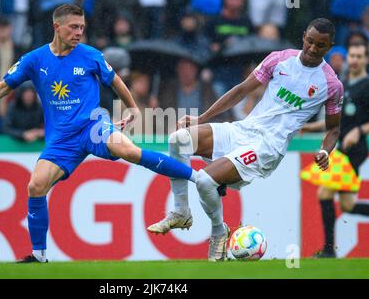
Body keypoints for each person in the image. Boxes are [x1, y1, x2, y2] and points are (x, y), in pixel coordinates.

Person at [0, 4, 197, 263]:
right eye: (74, 27)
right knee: (35, 186)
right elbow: (3, 87)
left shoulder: (90, 55)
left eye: (82, 28)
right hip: (61, 140)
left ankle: (198, 177)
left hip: (93, 127)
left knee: (128, 150)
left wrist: (133, 108)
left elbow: (115, 81)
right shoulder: (35, 59)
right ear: (57, 27)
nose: (79, 32)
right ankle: (39, 254)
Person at [147, 18, 344, 262]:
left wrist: (325, 151)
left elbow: (334, 129)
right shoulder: (279, 58)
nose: (313, 49)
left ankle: (219, 231)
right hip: (244, 129)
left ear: (330, 46)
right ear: (304, 36)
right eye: (310, 42)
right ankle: (181, 211)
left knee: (206, 181)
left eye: (321, 45)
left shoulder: (332, 85)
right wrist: (203, 118)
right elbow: (241, 90)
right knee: (179, 139)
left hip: (267, 147)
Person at [302, 42, 369, 258]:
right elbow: (336, 121)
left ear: (366, 59)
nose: (355, 60)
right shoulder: (345, 84)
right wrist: (309, 126)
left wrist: (359, 130)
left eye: (359, 56)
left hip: (355, 149)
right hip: (341, 149)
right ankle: (329, 250)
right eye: (352, 55)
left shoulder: (367, 85)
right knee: (348, 205)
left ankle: (329, 250)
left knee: (324, 192)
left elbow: (357, 124)